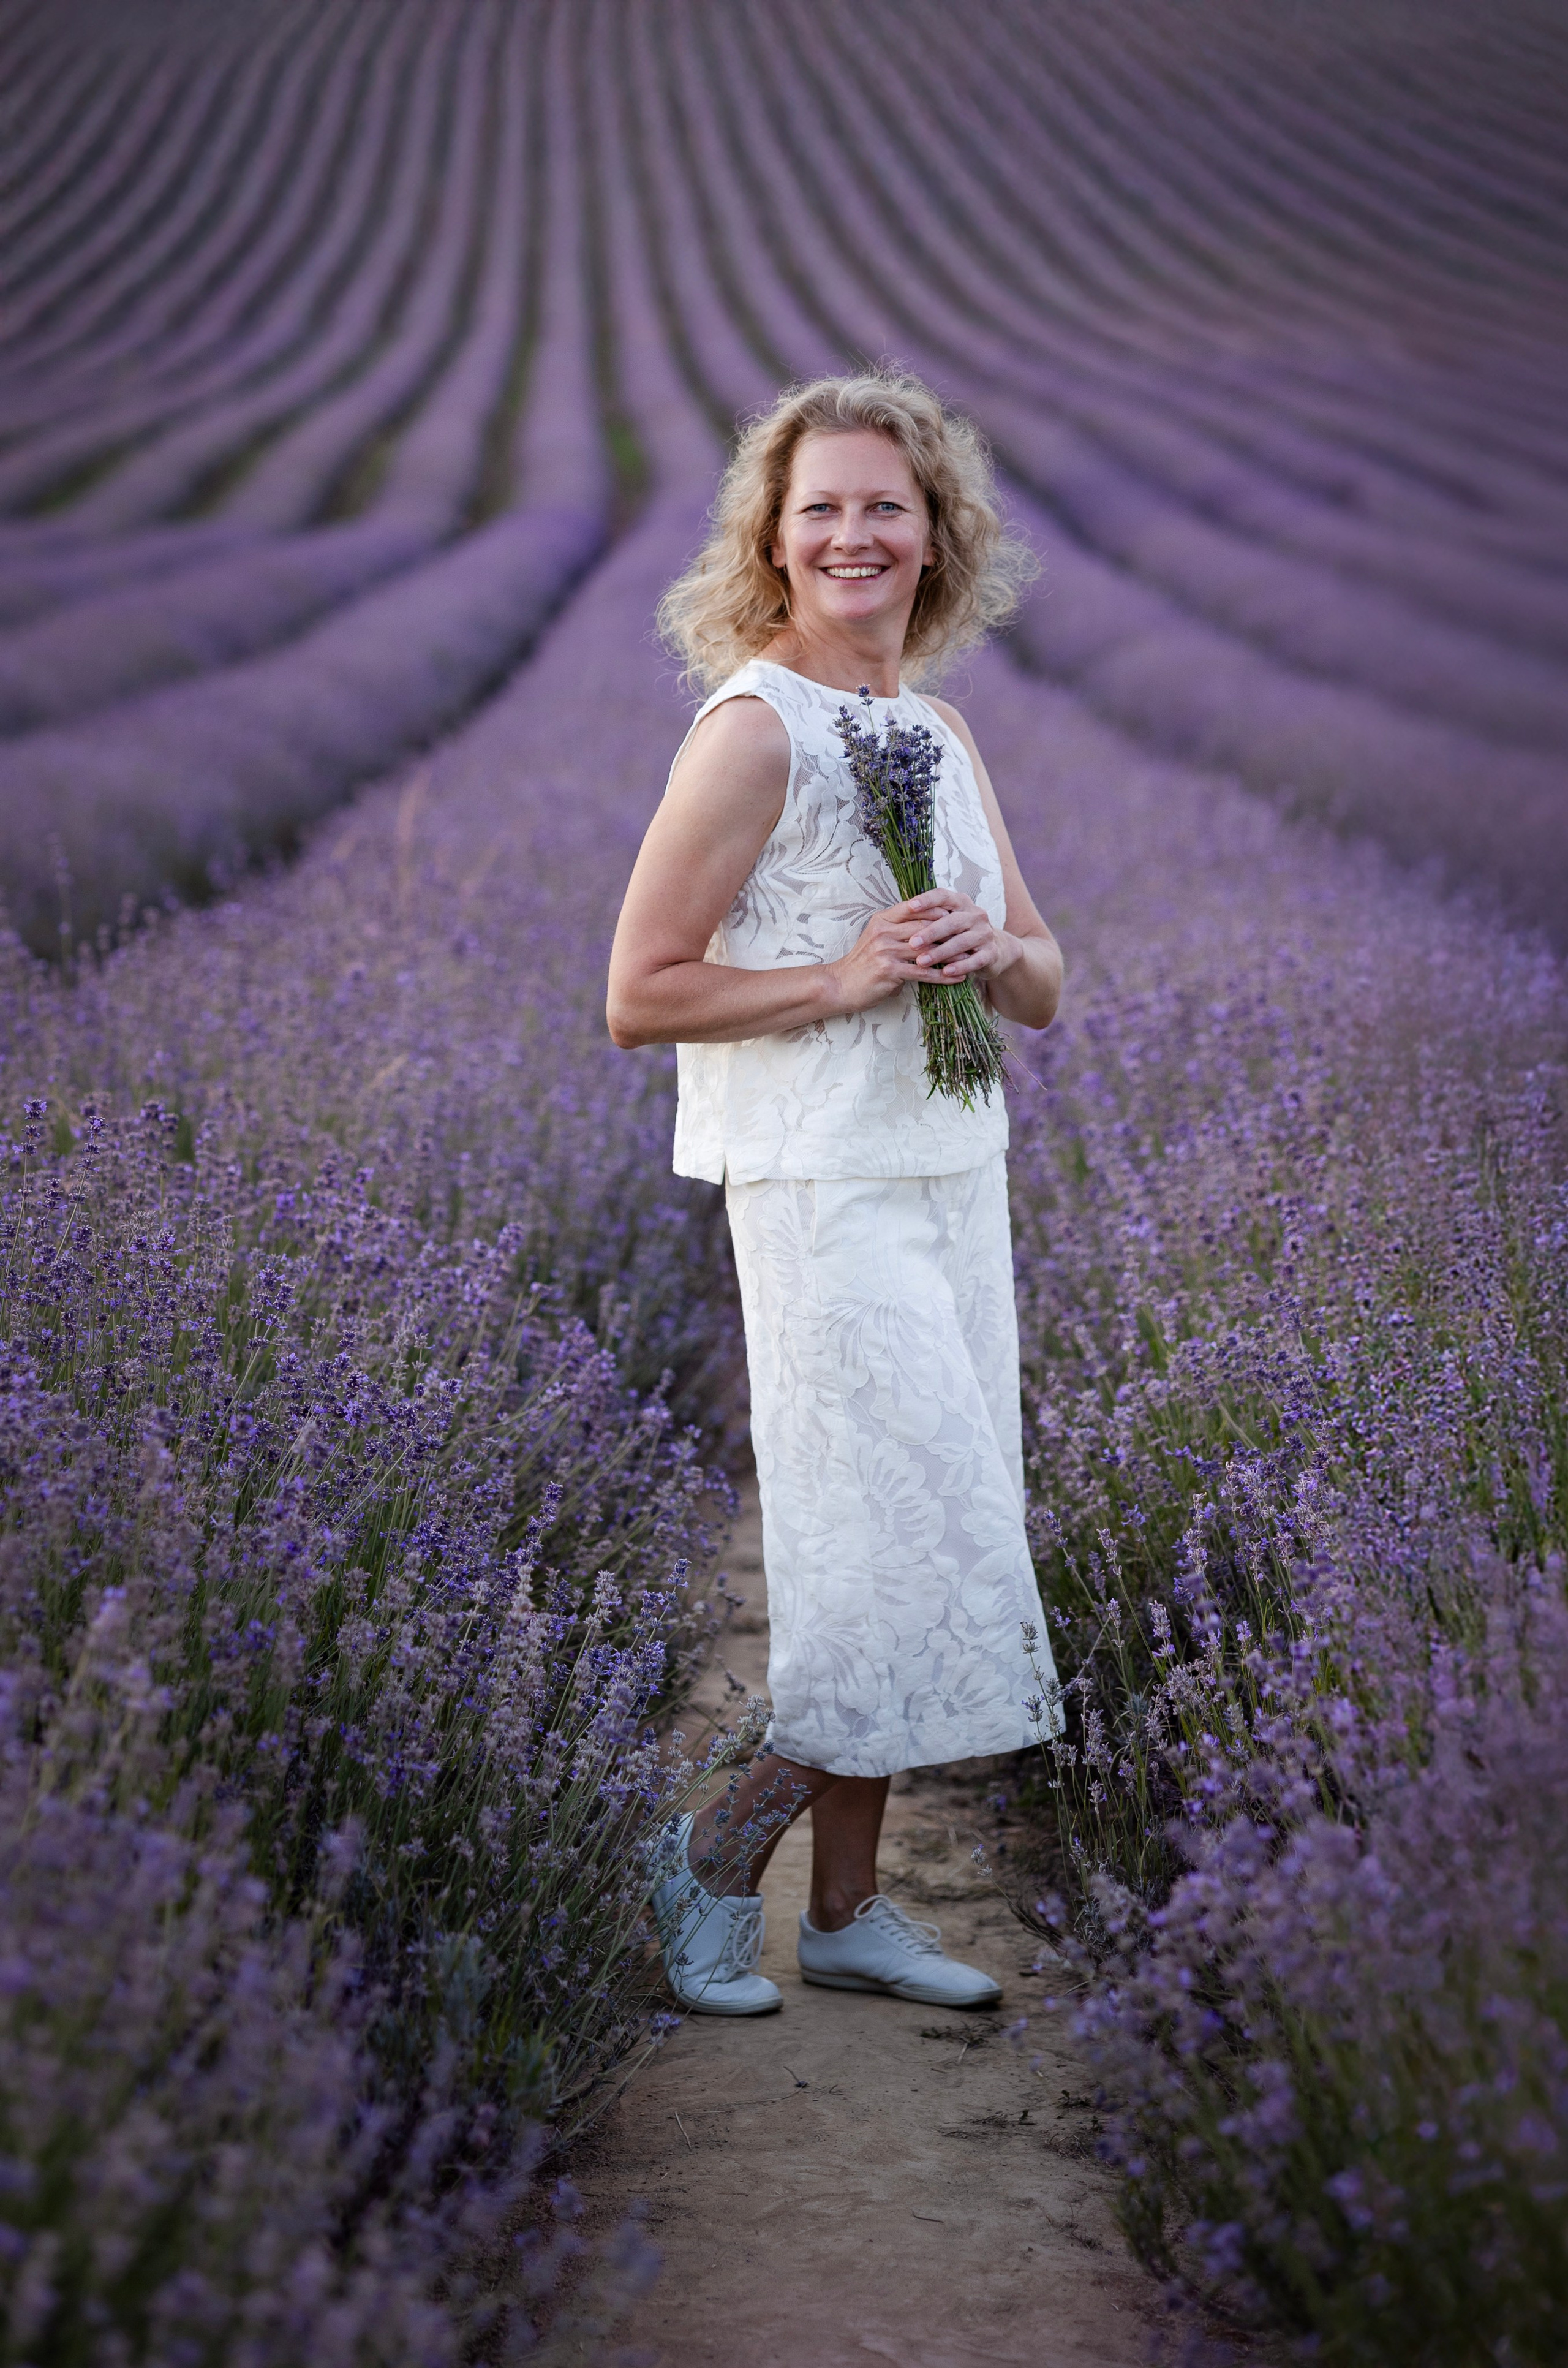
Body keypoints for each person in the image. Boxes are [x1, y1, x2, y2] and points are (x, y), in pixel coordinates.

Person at [606, 369, 1063, 2018]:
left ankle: (852, 1912)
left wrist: (987, 947)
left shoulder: (933, 730)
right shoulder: (755, 727)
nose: (857, 532)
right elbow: (639, 987)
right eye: (824, 509)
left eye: (888, 504)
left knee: (932, 1542)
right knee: (882, 1551)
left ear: (936, 536)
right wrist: (846, 971)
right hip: (822, 1189)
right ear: (776, 542)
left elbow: (1047, 977)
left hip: (950, 1175)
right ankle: (711, 1854)